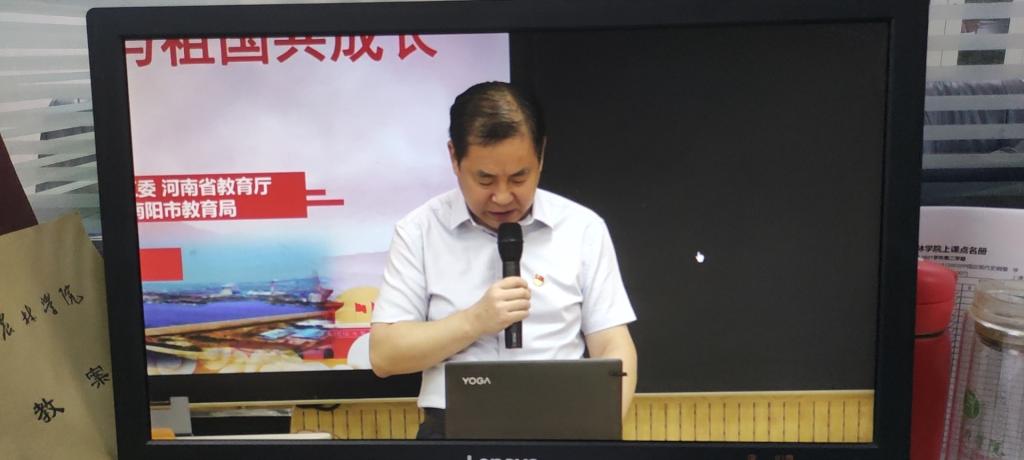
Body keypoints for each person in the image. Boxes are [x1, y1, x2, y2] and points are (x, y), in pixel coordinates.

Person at [369, 81, 637, 439]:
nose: (502, 196)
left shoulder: (582, 228)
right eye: (485, 179)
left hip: (564, 424)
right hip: (452, 430)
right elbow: (385, 356)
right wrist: (475, 321)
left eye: (519, 177)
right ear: (454, 158)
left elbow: (613, 345)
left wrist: (602, 431)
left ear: (541, 154)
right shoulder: (419, 231)